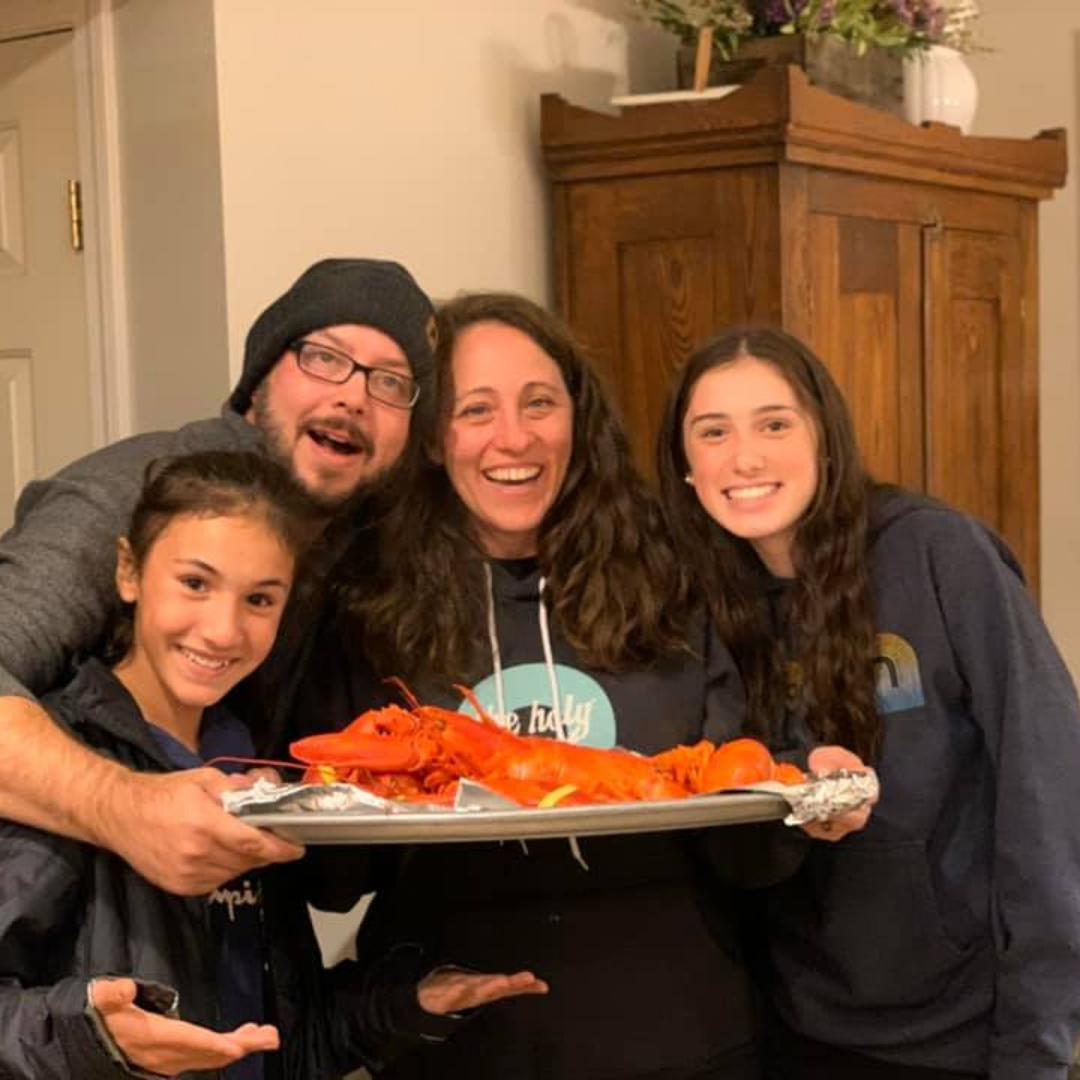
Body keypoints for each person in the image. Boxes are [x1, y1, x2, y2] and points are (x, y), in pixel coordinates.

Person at [296, 292, 815, 1080]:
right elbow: (334, 879)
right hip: (459, 1051)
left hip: (683, 1041)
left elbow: (752, 855)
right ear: (433, 438)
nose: (515, 437)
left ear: (579, 421)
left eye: (540, 403)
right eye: (475, 409)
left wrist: (800, 802)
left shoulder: (676, 584)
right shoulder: (369, 610)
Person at [0, 450, 546, 1080]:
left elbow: (283, 1042)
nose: (224, 630)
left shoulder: (259, 772)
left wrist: (406, 1005)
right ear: (129, 570)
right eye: (195, 584)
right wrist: (92, 1036)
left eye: (260, 599)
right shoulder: (56, 762)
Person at [655, 325, 1080, 1080]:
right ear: (686, 466)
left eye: (775, 423)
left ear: (826, 438)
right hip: (793, 1028)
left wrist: (1035, 1045)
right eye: (712, 432)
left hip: (966, 1036)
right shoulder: (698, 603)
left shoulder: (939, 553)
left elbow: (1048, 798)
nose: (744, 457)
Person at [0, 257, 436, 896]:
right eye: (323, 357)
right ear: (258, 380)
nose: (352, 397)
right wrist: (124, 807)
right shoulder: (126, 496)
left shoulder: (363, 547)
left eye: (391, 383)